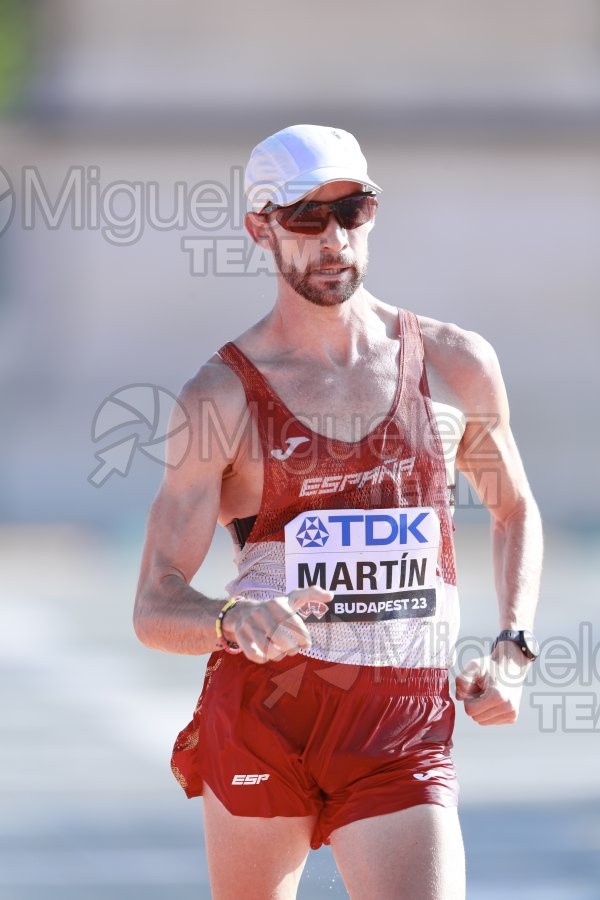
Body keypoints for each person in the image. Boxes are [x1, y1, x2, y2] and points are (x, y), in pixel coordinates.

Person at [133, 124, 543, 900]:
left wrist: (513, 650)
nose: (333, 240)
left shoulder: (455, 366)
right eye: (305, 218)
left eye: (352, 211)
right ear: (260, 227)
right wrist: (231, 620)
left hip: (400, 723)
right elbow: (153, 605)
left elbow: (516, 511)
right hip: (268, 718)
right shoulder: (220, 399)